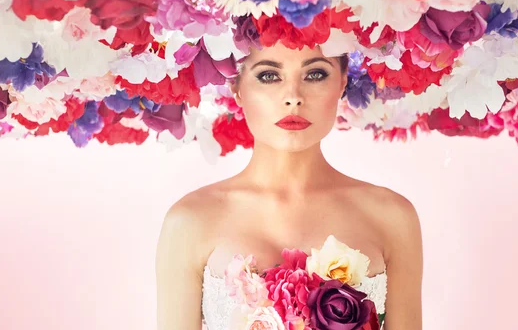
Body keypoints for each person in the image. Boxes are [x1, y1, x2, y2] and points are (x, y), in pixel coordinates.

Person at [155, 42, 424, 330]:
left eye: (315, 74)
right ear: (237, 87)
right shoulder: (188, 221)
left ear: (343, 83)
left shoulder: (393, 216)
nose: (293, 97)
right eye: (269, 75)